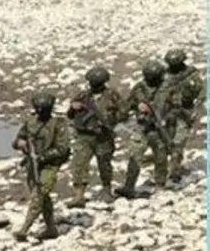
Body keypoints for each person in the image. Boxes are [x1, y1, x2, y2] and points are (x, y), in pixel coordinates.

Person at [11, 91, 71, 241]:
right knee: (42, 196)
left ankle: (25, 228)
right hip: (32, 164)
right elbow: (18, 139)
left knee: (38, 195)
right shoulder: (30, 122)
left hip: (50, 165)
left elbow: (63, 148)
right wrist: (21, 144)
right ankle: (51, 228)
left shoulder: (59, 124)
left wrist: (43, 156)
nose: (40, 112)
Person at [65, 65, 126, 206]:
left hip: (103, 136)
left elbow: (123, 112)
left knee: (104, 163)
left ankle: (106, 189)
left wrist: (110, 120)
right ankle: (79, 195)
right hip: (84, 135)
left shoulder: (112, 95)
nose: (93, 86)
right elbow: (70, 115)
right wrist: (74, 108)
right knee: (79, 164)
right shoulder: (82, 96)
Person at [118, 60, 174, 197]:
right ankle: (129, 186)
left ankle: (160, 184)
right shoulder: (139, 88)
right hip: (142, 127)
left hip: (160, 128)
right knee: (135, 156)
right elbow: (126, 106)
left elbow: (176, 107)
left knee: (161, 157)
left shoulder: (168, 89)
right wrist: (136, 108)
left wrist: (163, 113)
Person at [163, 48, 205, 183]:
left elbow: (201, 92)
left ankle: (174, 170)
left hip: (184, 112)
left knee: (178, 142)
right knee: (166, 140)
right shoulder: (164, 75)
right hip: (166, 113)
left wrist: (197, 108)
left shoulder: (191, 75)